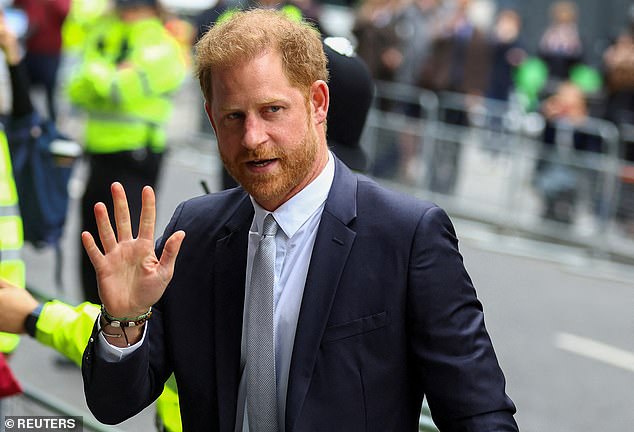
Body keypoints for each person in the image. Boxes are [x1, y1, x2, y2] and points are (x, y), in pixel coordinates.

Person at [81, 9, 518, 431]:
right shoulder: (193, 231)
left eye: (272, 110)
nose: (252, 137)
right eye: (234, 117)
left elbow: (479, 414)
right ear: (212, 119)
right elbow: (114, 404)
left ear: (317, 103)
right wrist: (125, 321)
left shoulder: (406, 236)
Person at [66, 0, 186, 304]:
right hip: (99, 153)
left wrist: (99, 75)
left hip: (135, 157)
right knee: (92, 246)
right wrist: (108, 74)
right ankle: (88, 332)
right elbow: (75, 88)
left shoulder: (161, 43)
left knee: (123, 250)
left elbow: (118, 90)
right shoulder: (105, 31)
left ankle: (120, 336)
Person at [13, 0, 71, 121]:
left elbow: (64, 13)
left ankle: (52, 125)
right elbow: (16, 7)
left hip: (50, 53)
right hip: (30, 50)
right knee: (25, 91)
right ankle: (28, 123)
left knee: (51, 94)